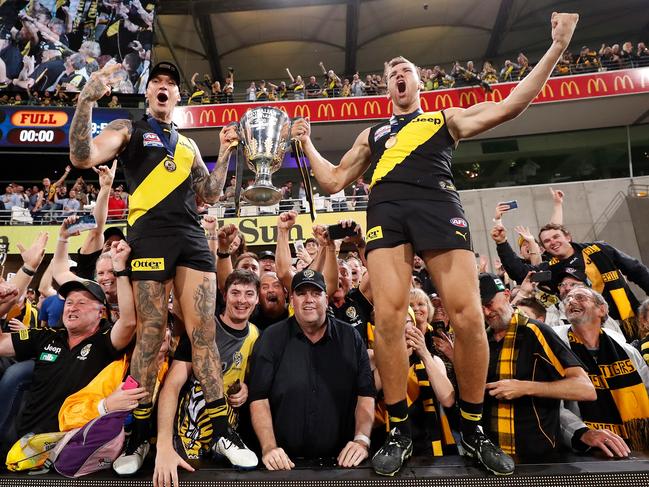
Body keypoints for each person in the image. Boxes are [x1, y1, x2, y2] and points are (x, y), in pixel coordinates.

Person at [291, 12, 580, 476]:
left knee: (467, 316)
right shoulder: (373, 134)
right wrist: (306, 144)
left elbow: (509, 105)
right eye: (392, 74)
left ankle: (471, 426)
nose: (399, 76)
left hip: (438, 206)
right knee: (387, 318)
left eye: (406, 71)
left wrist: (558, 48)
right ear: (386, 89)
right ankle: (401, 429)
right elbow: (331, 181)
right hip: (386, 210)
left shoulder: (445, 119)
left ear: (418, 82)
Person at [68, 61, 237, 472]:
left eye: (170, 84)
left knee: (203, 333)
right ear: (149, 94)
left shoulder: (189, 145)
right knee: (150, 334)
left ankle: (223, 432)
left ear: (178, 96)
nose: (164, 88)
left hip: (192, 237)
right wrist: (86, 100)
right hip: (150, 236)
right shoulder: (129, 128)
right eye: (157, 83)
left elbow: (210, 193)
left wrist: (227, 152)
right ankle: (140, 436)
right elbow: (81, 154)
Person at [0, 241, 135, 444]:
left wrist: (121, 270)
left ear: (100, 312)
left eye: (82, 303)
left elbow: (129, 321)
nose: (72, 308)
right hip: (27, 444)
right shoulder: (46, 335)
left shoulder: (105, 338)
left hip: (73, 444)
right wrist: (4, 306)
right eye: (69, 302)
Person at [248, 270, 375, 470]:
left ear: (326, 299)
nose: (309, 300)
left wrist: (361, 440)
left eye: (316, 293)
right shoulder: (270, 338)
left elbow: (365, 394)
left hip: (342, 464)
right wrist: (269, 447)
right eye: (302, 293)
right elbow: (259, 398)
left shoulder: (351, 338)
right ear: (291, 300)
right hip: (283, 465)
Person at [154, 270, 260, 487]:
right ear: (224, 294)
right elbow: (172, 386)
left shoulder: (257, 335)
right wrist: (163, 443)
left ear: (257, 299)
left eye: (249, 294)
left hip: (230, 432)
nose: (242, 300)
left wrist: (246, 389)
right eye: (235, 293)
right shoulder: (201, 330)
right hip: (191, 433)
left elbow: (252, 380)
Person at [479, 273, 595, 461]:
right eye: (480, 307)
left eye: (490, 303)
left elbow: (585, 388)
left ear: (507, 294)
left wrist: (524, 387)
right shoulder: (481, 340)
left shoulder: (535, 331)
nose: (486, 312)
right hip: (494, 459)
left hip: (539, 458)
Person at [556, 287, 649, 456]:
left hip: (638, 446)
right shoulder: (556, 349)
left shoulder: (627, 351)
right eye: (567, 299)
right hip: (586, 452)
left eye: (580, 297)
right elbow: (553, 406)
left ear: (602, 309)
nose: (571, 301)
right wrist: (581, 433)